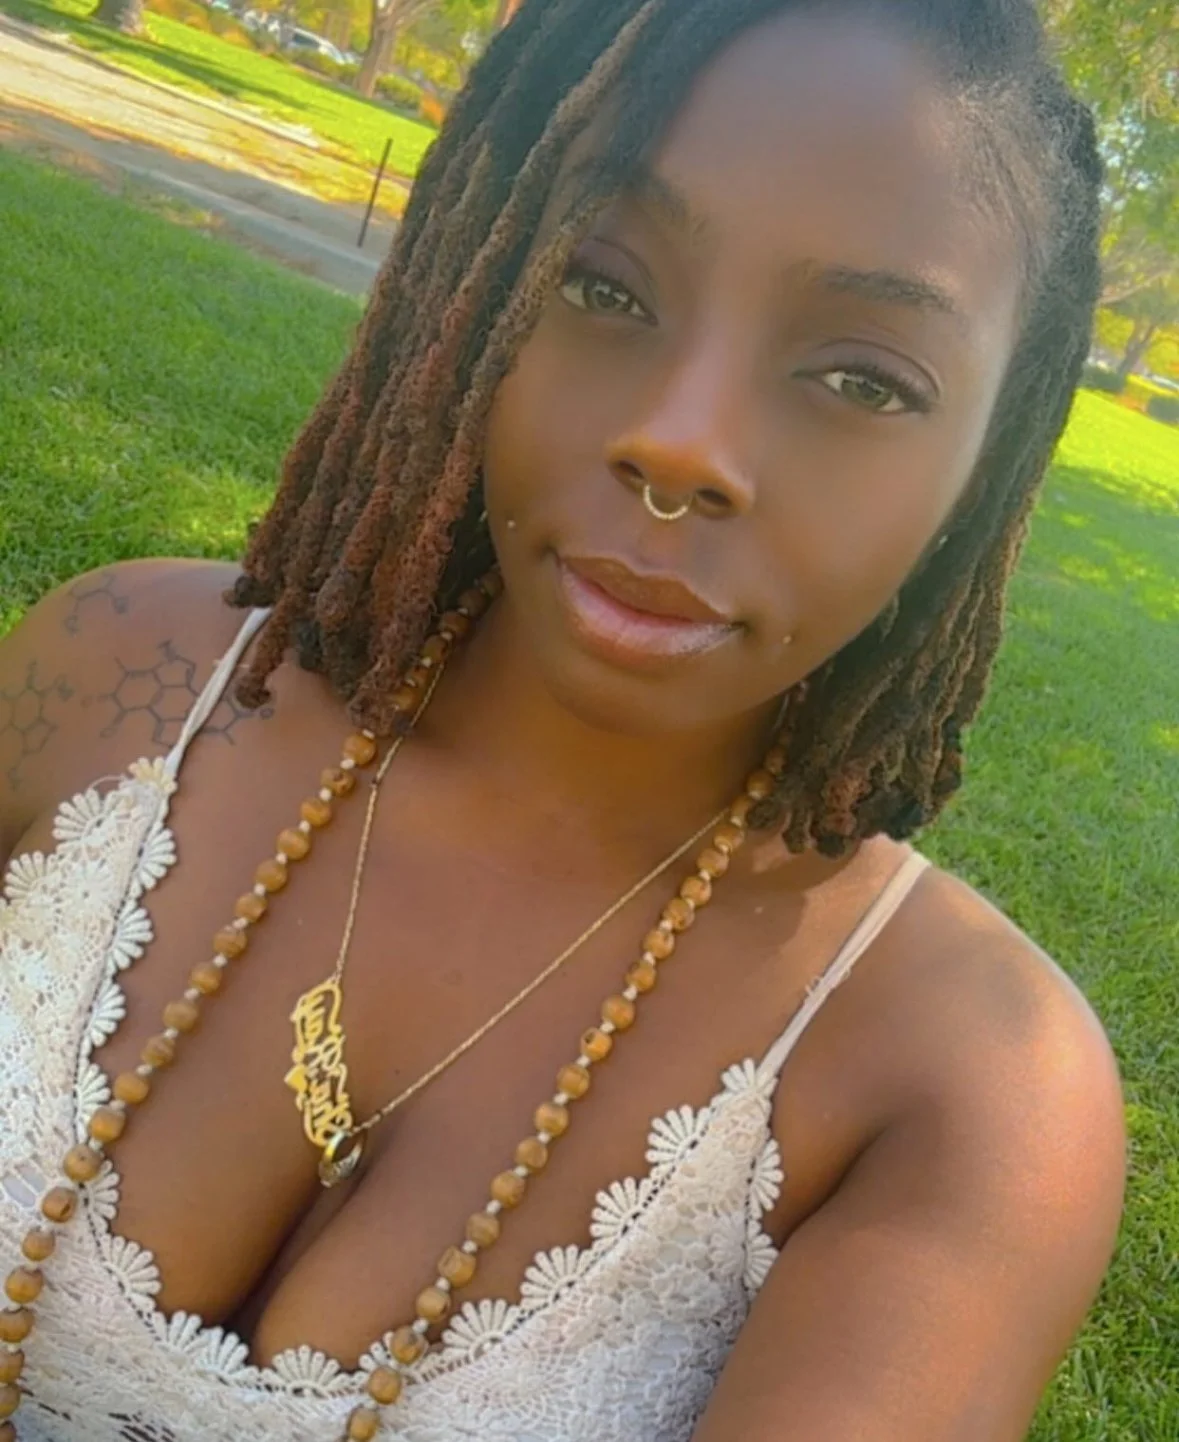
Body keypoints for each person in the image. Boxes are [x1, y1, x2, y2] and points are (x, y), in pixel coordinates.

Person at [0, 1, 1127, 1439]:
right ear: (475, 276)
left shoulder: (967, 1086)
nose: (682, 442)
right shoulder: (116, 675)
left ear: (989, 467)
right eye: (601, 283)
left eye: (862, 379)